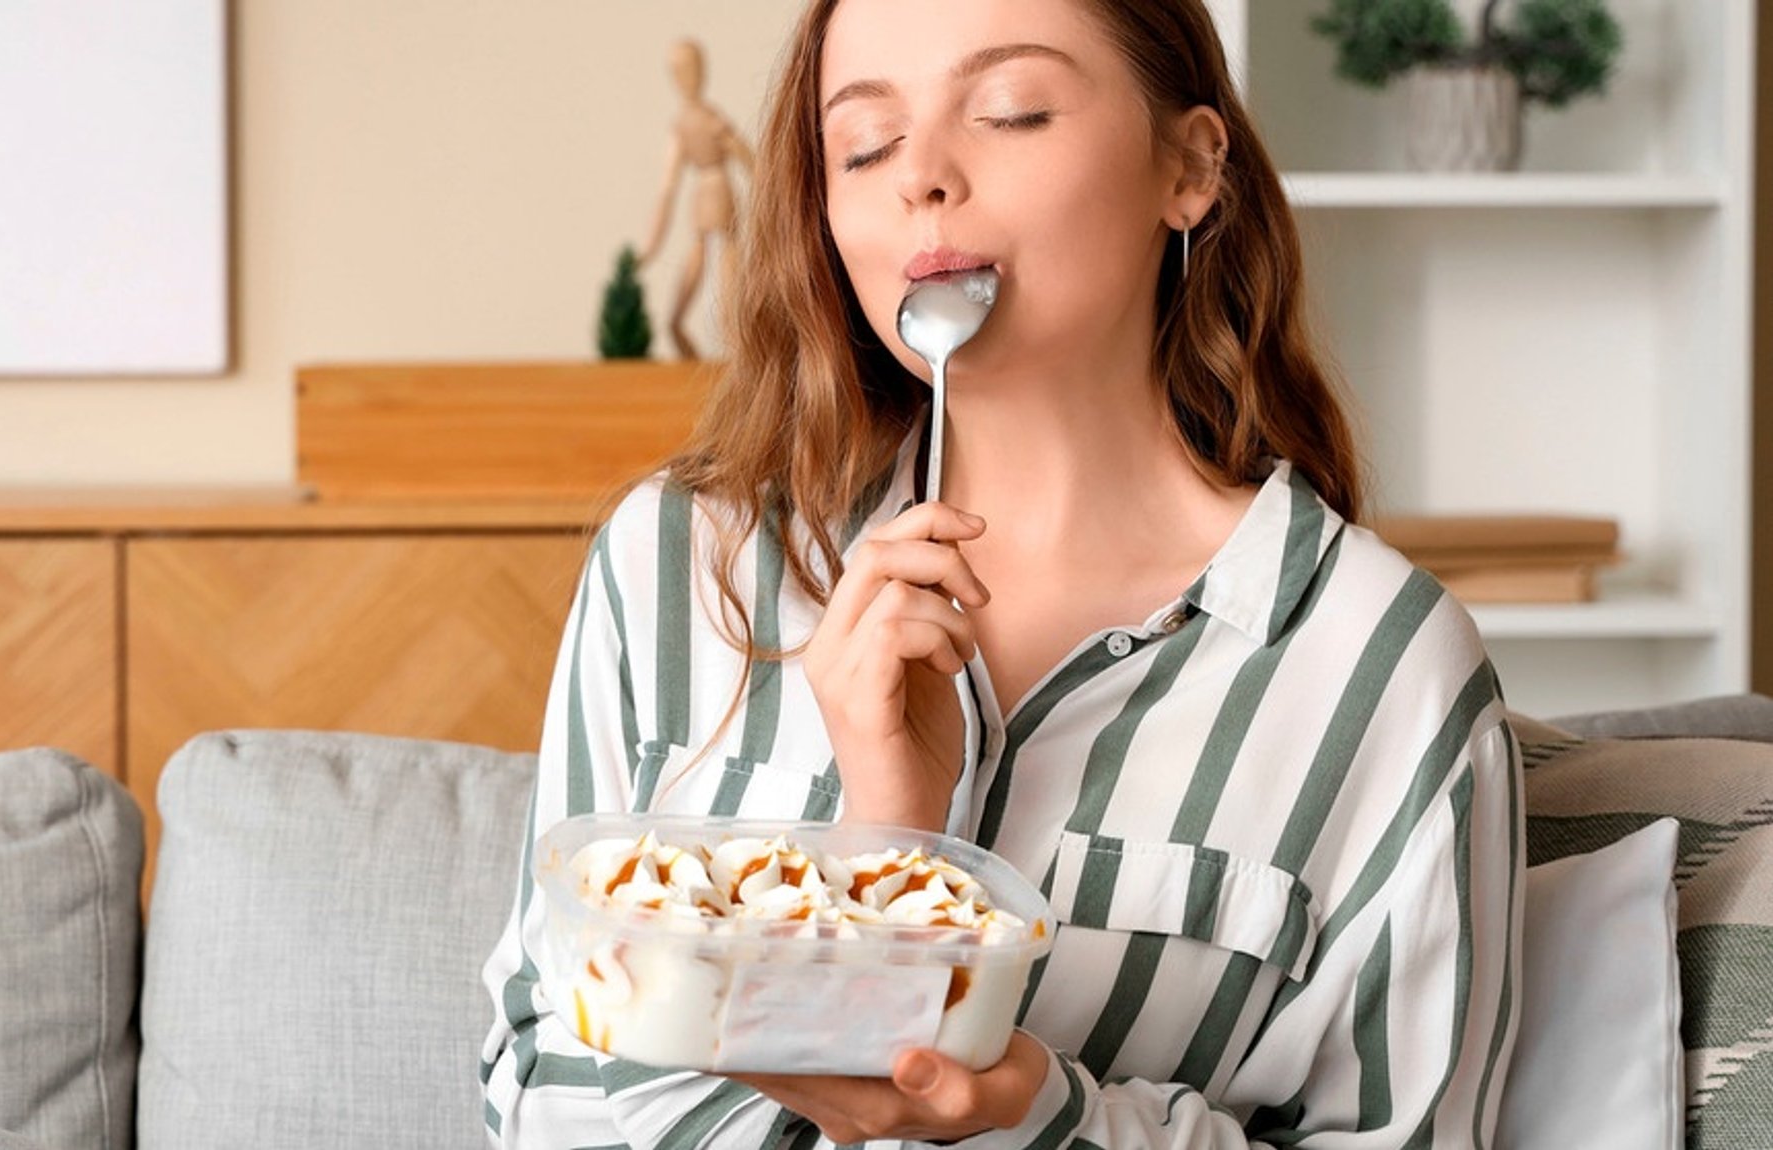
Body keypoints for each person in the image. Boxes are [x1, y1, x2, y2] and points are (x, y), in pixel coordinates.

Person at [483, 0, 1522, 1145]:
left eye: (1010, 112)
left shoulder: (1382, 666)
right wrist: (877, 856)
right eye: (863, 145)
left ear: (1188, 165)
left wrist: (1036, 1116)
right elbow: (542, 1082)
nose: (918, 176)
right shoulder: (676, 566)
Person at [638, 39, 757, 361]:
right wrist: (650, 246)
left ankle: (688, 327)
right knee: (723, 258)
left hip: (706, 194)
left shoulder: (685, 125)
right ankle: (726, 337)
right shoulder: (707, 120)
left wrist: (651, 246)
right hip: (717, 191)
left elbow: (668, 188)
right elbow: (750, 162)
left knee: (711, 255)